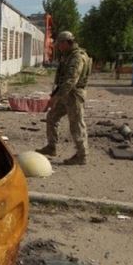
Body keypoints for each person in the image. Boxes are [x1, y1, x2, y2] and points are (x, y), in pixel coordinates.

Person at [37, 31, 91, 165]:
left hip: (74, 95)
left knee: (76, 125)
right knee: (52, 117)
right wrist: (55, 94)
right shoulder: (67, 56)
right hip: (65, 93)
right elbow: (63, 80)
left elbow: (71, 81)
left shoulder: (77, 57)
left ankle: (82, 155)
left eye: (60, 44)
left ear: (67, 42)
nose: (58, 47)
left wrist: (56, 97)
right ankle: (51, 147)